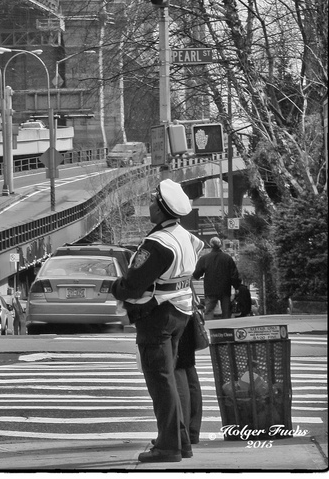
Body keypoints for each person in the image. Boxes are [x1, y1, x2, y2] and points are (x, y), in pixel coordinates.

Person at [111, 178, 204, 464]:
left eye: (153, 201)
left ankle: (168, 446)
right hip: (180, 314)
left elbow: (132, 284)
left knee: (160, 382)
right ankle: (180, 441)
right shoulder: (186, 236)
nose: (149, 204)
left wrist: (115, 286)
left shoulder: (158, 243)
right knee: (171, 379)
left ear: (162, 209)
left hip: (157, 317)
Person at [192, 237, 240, 319]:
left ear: (210, 245)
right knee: (226, 312)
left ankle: (208, 329)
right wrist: (237, 287)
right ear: (220, 245)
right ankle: (226, 328)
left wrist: (193, 276)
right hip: (225, 289)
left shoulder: (204, 258)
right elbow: (234, 274)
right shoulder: (227, 258)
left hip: (210, 289)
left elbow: (197, 274)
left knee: (209, 311)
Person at [174, 310, 203, 445]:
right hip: (185, 314)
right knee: (188, 370)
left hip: (173, 316)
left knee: (179, 371)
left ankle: (183, 433)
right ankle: (191, 432)